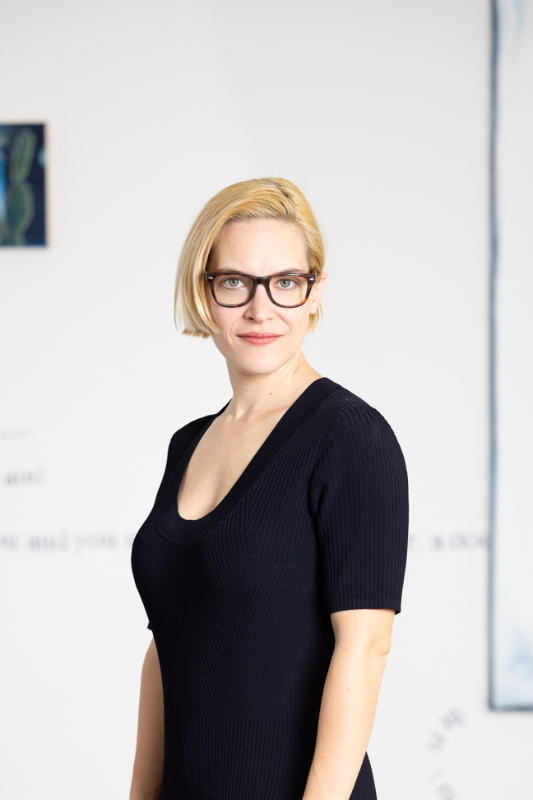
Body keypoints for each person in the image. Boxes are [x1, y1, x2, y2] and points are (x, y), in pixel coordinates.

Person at [129, 177, 409, 800]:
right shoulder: (188, 444)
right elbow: (166, 646)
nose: (261, 310)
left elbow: (365, 648)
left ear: (315, 292)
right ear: (203, 292)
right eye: (235, 282)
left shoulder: (350, 437)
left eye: (285, 282)